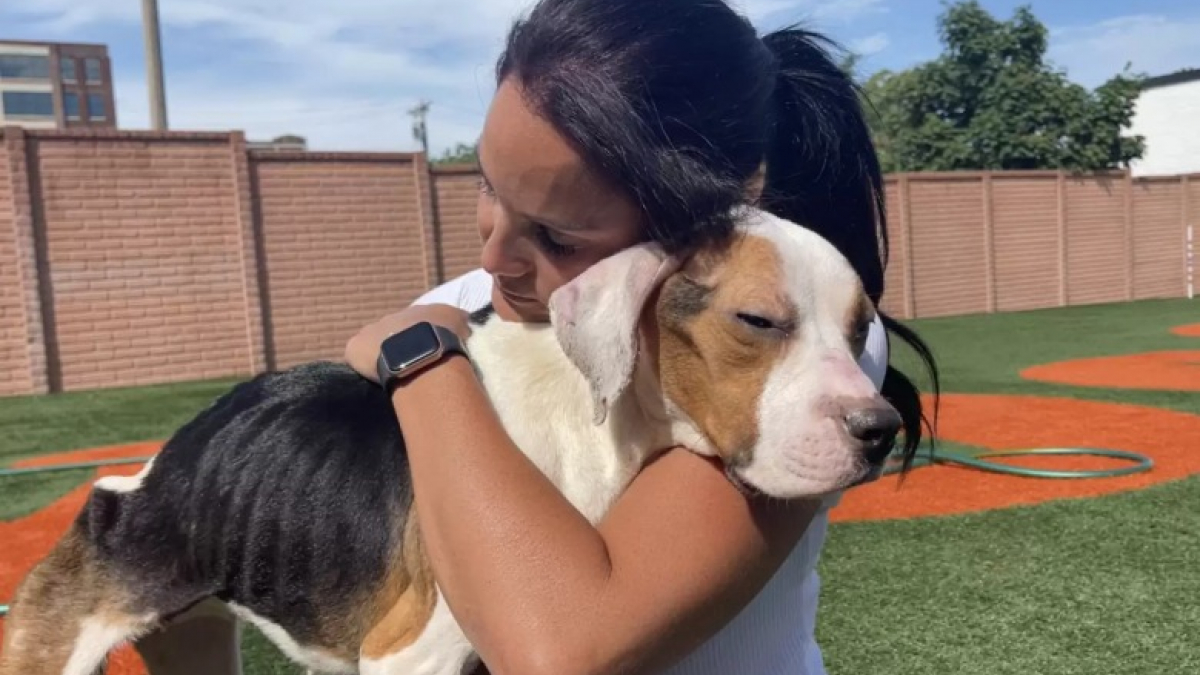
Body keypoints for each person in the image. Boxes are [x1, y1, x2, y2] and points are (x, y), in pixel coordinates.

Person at [342, 1, 939, 674]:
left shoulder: (800, 348)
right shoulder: (452, 308)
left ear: (728, 206)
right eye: (488, 184)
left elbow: (563, 649)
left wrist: (421, 365)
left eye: (558, 236)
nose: (494, 257)